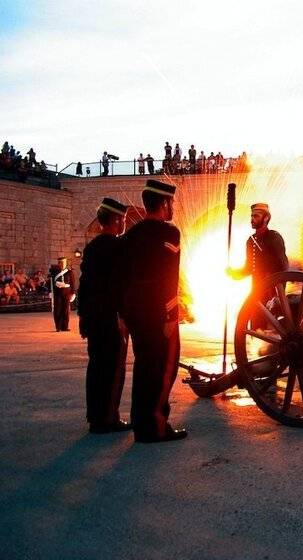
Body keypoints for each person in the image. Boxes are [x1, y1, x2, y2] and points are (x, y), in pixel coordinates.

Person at [118, 179, 187, 443]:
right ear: (164, 203)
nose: (173, 208)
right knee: (162, 369)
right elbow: (169, 276)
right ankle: (156, 426)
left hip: (135, 310)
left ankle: (141, 424)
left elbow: (122, 278)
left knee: (144, 365)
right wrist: (170, 314)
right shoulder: (169, 234)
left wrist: (122, 313)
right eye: (171, 203)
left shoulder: (131, 236)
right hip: (158, 310)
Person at [78, 197, 131, 434]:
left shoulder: (92, 247)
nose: (124, 224)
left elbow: (85, 286)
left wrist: (83, 318)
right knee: (112, 368)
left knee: (96, 367)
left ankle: (95, 416)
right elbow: (118, 286)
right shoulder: (117, 247)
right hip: (110, 318)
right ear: (117, 220)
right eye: (123, 219)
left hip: (93, 317)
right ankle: (108, 419)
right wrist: (121, 316)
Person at [227, 203, 289, 327]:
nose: (252, 219)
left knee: (272, 326)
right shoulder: (251, 241)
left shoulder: (274, 237)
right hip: (256, 290)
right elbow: (249, 267)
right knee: (256, 326)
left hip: (272, 290)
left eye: (256, 216)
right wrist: (234, 273)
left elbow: (283, 265)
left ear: (266, 218)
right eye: (251, 216)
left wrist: (278, 293)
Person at [51, 256, 75, 331]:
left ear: (65, 263)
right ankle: (58, 327)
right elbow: (50, 283)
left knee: (65, 310)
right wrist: (50, 291)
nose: (61, 264)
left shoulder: (70, 272)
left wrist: (73, 293)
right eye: (60, 263)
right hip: (57, 293)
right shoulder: (54, 272)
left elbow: (72, 283)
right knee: (57, 309)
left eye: (63, 263)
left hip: (66, 293)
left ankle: (65, 327)